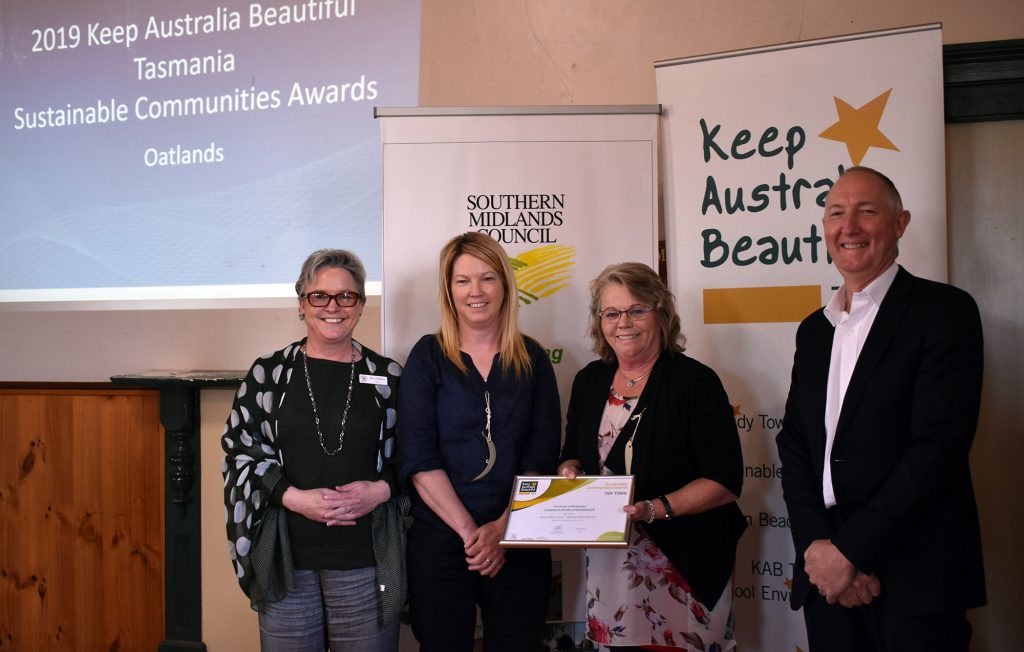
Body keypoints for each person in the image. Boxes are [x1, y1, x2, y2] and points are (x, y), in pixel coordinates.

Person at [775, 166, 986, 652]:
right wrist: (820, 550)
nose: (848, 226)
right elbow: (796, 445)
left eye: (866, 211)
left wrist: (851, 553)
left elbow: (939, 446)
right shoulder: (814, 331)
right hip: (826, 579)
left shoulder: (944, 312)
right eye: (836, 213)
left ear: (899, 223)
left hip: (915, 575)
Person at [222, 249, 407, 651]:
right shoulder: (267, 375)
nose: (333, 307)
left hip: (366, 561)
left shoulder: (389, 377)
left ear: (361, 305)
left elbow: (414, 456)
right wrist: (291, 497)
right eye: (319, 296)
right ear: (302, 303)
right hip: (287, 562)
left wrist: (380, 490)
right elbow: (239, 451)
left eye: (346, 296)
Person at [557, 262, 747, 651]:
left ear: (661, 314)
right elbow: (573, 454)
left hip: (685, 564)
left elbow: (724, 480)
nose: (623, 322)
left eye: (637, 310)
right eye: (611, 313)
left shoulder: (696, 382)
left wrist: (653, 509)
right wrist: (568, 470)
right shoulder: (589, 380)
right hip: (611, 568)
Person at [398, 232, 561, 652]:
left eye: (488, 278)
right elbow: (418, 457)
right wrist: (474, 535)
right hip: (441, 537)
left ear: (505, 285)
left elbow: (541, 456)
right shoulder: (427, 356)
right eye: (463, 281)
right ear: (448, 291)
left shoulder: (533, 359)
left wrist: (503, 528)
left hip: (518, 536)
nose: (476, 291)